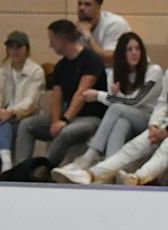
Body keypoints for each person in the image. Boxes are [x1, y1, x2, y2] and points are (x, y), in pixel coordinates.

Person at [52, 32, 163, 183]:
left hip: (148, 119)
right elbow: (117, 102)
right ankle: (109, 173)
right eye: (129, 49)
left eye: (137, 49)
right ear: (121, 53)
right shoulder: (114, 74)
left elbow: (134, 101)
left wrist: (98, 95)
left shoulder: (154, 71)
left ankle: (90, 155)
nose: (134, 53)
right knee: (120, 124)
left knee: (117, 109)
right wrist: (115, 95)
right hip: (127, 117)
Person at [14, 20, 108, 167]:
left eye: (52, 40)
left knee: (66, 132)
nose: (50, 45)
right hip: (68, 116)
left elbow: (81, 94)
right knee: (27, 125)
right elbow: (56, 98)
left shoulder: (91, 60)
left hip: (91, 118)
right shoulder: (60, 66)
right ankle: (22, 168)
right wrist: (55, 121)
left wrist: (65, 120)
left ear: (62, 40)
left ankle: (44, 168)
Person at [48, 74, 168, 185]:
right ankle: (91, 174)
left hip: (161, 127)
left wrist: (166, 131)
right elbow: (163, 102)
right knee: (134, 146)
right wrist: (154, 125)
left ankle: (138, 178)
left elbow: (135, 101)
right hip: (162, 125)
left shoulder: (154, 70)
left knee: (165, 149)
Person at [0, 31, 46, 178]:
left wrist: (10, 112)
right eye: (11, 47)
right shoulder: (1, 72)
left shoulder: (36, 72)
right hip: (5, 119)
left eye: (19, 47)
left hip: (27, 117)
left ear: (26, 49)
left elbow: (31, 102)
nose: (15, 50)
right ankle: (5, 165)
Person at [75, 0, 131, 68]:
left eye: (87, 4)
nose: (81, 8)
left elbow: (111, 59)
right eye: (80, 4)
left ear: (98, 7)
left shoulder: (115, 23)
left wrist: (87, 35)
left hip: (126, 71)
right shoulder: (78, 27)